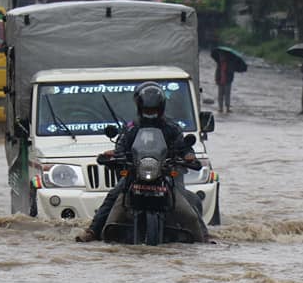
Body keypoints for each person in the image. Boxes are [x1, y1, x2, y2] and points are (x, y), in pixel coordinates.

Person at [76, 81, 206, 242]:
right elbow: (121, 146)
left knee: (188, 206)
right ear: (139, 107)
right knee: (113, 196)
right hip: (135, 174)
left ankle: (205, 238)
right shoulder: (131, 128)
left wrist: (188, 155)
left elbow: (183, 147)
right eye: (147, 109)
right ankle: (92, 231)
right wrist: (114, 155)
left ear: (161, 108)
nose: (150, 113)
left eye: (153, 109)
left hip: (166, 176)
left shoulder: (172, 128)